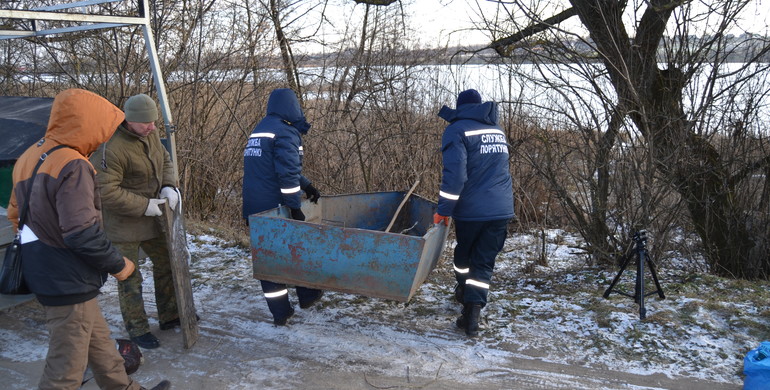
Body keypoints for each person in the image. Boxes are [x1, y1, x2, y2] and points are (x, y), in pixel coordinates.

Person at [7, 88, 170, 390]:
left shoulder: (32, 154)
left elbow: (15, 215)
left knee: (101, 346)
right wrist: (119, 265)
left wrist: (44, 244)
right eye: (103, 129)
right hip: (67, 276)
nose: (104, 138)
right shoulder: (74, 164)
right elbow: (81, 233)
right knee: (65, 370)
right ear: (89, 124)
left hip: (45, 268)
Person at [90, 93, 186, 350]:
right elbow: (106, 191)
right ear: (129, 121)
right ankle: (138, 328)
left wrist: (168, 186)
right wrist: (145, 206)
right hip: (124, 225)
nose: (152, 127)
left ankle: (170, 315)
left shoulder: (150, 134)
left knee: (167, 263)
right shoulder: (111, 147)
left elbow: (165, 159)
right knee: (130, 277)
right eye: (145, 123)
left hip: (154, 219)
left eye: (154, 121)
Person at [434, 89, 515, 337]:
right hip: (501, 210)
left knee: (464, 257)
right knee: (483, 262)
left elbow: (456, 176)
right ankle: (473, 311)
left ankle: (465, 297)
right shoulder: (496, 130)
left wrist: (443, 210)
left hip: (472, 210)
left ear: (460, 108)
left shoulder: (456, 130)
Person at [242, 88, 324, 326]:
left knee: (268, 259)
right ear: (292, 107)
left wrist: (307, 185)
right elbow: (287, 174)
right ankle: (307, 294)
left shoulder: (261, 129)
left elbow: (276, 168)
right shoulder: (286, 132)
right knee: (296, 248)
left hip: (254, 207)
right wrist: (294, 206)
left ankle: (280, 311)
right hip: (274, 207)